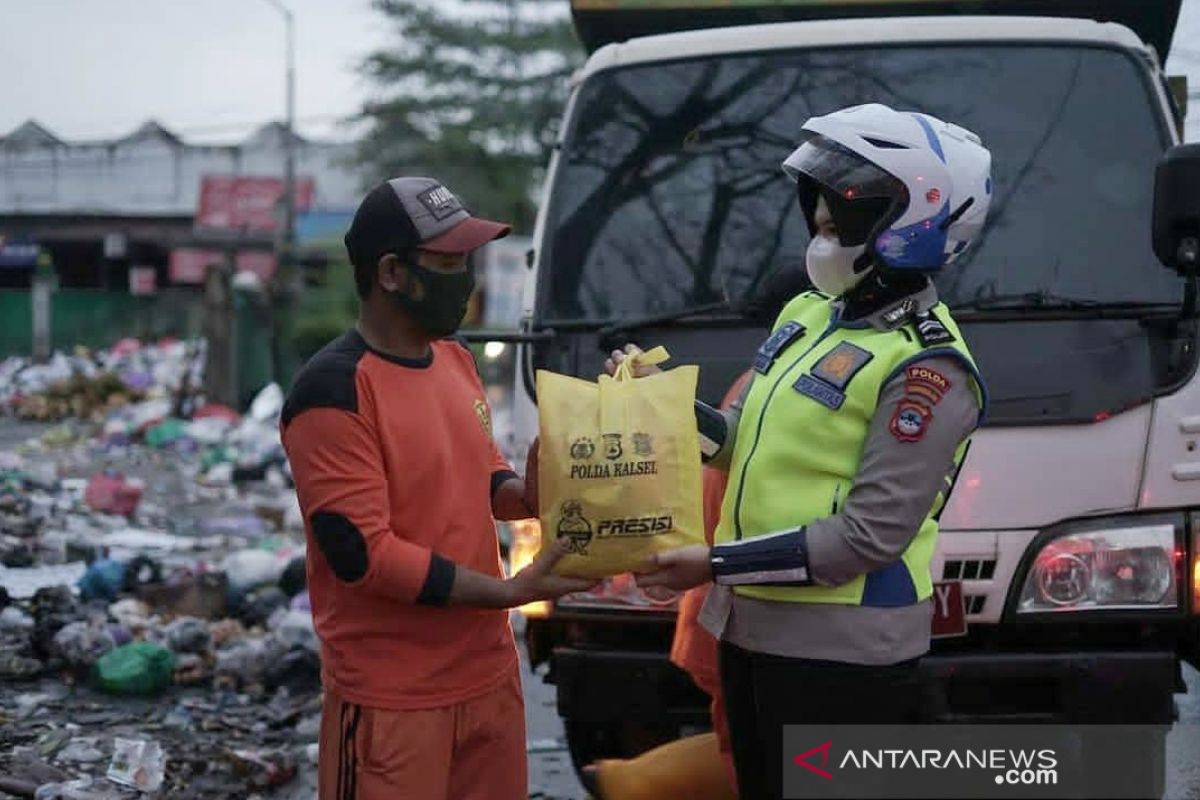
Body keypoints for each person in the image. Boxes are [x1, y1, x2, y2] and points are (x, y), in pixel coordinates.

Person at [612, 104, 993, 799]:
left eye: (840, 215)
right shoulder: (808, 315)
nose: (821, 224)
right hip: (751, 634)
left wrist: (713, 563)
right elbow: (745, 446)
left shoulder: (929, 370)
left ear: (914, 225)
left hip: (841, 658)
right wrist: (663, 406)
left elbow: (867, 537)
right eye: (817, 212)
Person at [281, 177, 595, 800]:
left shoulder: (454, 360)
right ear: (392, 271)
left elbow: (483, 479)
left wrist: (529, 494)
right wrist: (508, 591)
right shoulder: (334, 392)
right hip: (393, 702)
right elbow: (367, 557)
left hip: (487, 682)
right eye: (449, 263)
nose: (467, 280)